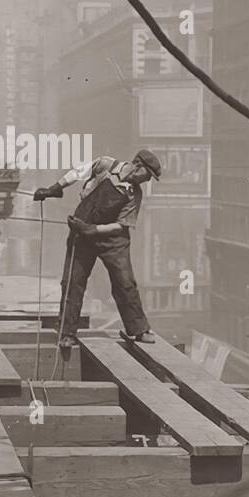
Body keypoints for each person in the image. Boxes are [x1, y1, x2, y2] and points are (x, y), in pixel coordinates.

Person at [33, 149, 162, 349]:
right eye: (148, 175)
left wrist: (94, 229)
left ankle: (139, 329)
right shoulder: (106, 165)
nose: (148, 180)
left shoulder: (134, 194)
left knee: (124, 282)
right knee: (72, 282)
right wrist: (55, 188)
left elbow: (121, 225)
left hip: (113, 239)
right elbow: (78, 172)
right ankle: (67, 333)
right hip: (82, 229)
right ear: (138, 166)